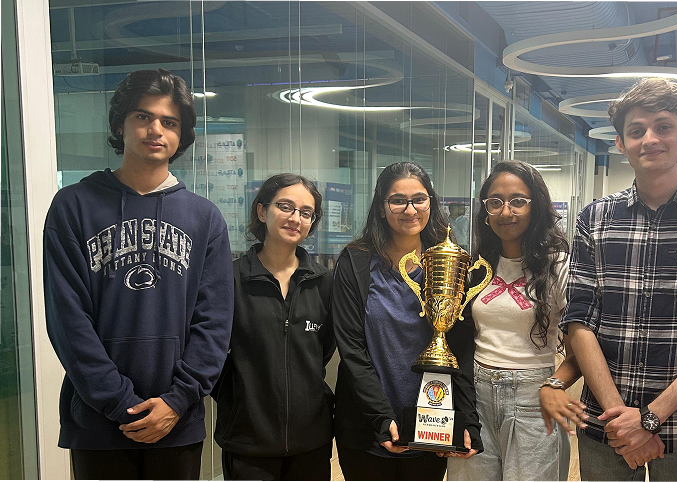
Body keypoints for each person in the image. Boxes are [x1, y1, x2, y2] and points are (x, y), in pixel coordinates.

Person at [43, 69, 234, 480]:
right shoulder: (73, 206)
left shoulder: (204, 218)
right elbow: (67, 319)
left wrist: (178, 400)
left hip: (176, 420)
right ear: (120, 124)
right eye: (143, 117)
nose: (156, 130)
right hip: (98, 421)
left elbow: (215, 322)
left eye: (170, 122)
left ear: (182, 135)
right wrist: (118, 402)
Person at [559, 78, 677, 482]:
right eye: (637, 130)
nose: (650, 139)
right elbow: (579, 321)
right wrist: (622, 420)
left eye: (663, 126)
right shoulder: (594, 218)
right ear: (620, 142)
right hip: (606, 425)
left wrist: (649, 418)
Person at [331, 162, 483, 481]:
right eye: (398, 200)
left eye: (419, 199)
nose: (410, 209)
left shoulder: (449, 263)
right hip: (367, 426)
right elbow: (352, 350)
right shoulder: (356, 262)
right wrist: (381, 418)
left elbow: (460, 350)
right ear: (381, 207)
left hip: (431, 425)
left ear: (431, 203)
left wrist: (468, 419)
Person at [446, 160, 587, 482]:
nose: (505, 211)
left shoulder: (559, 266)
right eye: (495, 202)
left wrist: (555, 384)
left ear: (535, 207)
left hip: (534, 399)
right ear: (485, 210)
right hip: (475, 397)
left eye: (518, 201)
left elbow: (582, 349)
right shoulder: (476, 266)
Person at [212, 173, 335, 480]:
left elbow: (323, 350)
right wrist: (236, 398)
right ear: (262, 211)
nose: (295, 218)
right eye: (285, 207)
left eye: (306, 213)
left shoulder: (323, 282)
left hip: (311, 439)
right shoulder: (231, 279)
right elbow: (210, 349)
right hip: (248, 440)